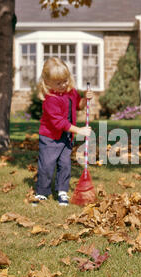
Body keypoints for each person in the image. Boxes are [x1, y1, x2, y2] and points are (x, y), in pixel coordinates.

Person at [33, 57, 92, 206]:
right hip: (50, 138)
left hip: (66, 137)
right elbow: (59, 122)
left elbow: (78, 105)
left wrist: (85, 99)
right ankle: (42, 192)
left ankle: (62, 191)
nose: (63, 85)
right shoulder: (50, 100)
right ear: (47, 83)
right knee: (47, 165)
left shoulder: (70, 92)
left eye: (65, 80)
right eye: (58, 83)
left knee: (65, 164)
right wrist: (79, 130)